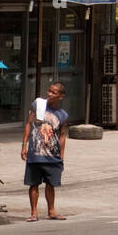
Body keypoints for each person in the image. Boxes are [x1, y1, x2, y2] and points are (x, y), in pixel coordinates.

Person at [21, 81, 68, 221]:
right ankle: (34, 213)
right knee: (33, 183)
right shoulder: (38, 105)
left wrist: (62, 154)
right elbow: (29, 124)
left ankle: (51, 211)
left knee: (50, 184)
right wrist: (24, 145)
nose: (50, 94)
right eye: (49, 91)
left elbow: (63, 135)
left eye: (54, 92)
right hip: (35, 153)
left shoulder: (62, 115)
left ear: (61, 96)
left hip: (52, 155)